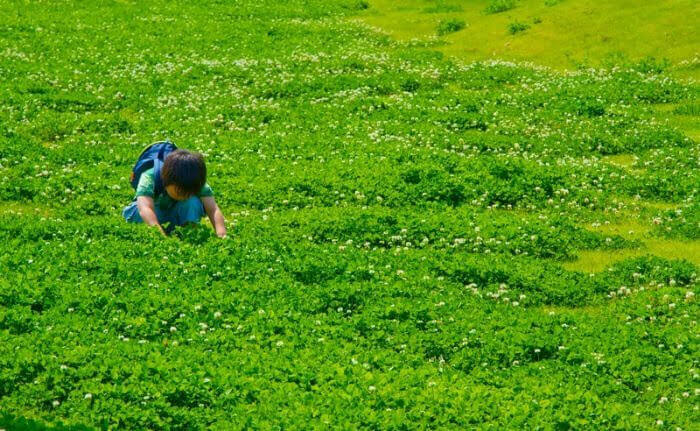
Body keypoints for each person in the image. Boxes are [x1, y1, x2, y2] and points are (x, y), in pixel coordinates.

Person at [122, 149, 227, 238]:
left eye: (189, 192)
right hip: (153, 212)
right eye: (179, 191)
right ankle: (162, 229)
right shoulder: (150, 176)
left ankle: (188, 231)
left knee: (193, 202)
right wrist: (161, 236)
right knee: (137, 214)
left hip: (176, 213)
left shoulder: (195, 180)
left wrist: (222, 235)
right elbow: (145, 208)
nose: (184, 195)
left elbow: (213, 209)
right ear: (167, 180)